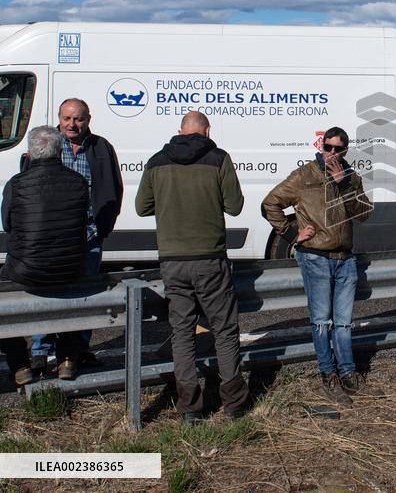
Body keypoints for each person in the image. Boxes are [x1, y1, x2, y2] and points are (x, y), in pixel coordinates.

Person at [136, 112, 249, 421]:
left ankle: (190, 408)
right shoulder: (219, 158)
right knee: (224, 330)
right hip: (210, 258)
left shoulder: (157, 161)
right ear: (207, 131)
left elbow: (141, 207)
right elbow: (235, 206)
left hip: (173, 260)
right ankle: (234, 404)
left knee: (182, 333)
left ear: (180, 131)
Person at [262, 125, 374, 403]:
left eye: (337, 149)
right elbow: (270, 203)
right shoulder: (304, 175)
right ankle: (328, 374)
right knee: (322, 321)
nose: (331, 153)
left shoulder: (351, 178)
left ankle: (348, 373)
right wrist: (292, 234)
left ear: (345, 150)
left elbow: (364, 214)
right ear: (321, 146)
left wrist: (344, 184)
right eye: (327, 147)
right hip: (315, 257)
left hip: (345, 258)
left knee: (344, 323)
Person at [32, 98, 123, 374]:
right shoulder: (46, 144)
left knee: (85, 296)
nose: (72, 124)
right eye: (67, 118)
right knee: (49, 294)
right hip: (53, 238)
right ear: (59, 118)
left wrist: (103, 227)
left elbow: (114, 188)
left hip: (88, 236)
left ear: (88, 120)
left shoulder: (101, 147)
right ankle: (41, 351)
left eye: (78, 119)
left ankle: (76, 351)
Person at [2, 126, 90, 384]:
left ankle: (20, 365)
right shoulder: (78, 182)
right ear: (60, 152)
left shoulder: (16, 184)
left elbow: (7, 224)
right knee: (75, 294)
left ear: (29, 154)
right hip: (70, 267)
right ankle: (67, 359)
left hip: (26, 269)